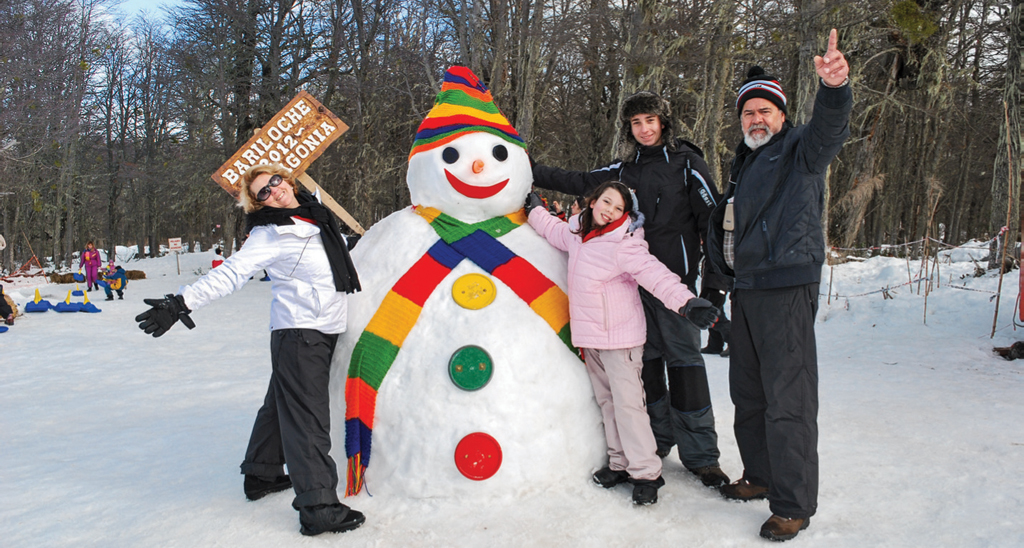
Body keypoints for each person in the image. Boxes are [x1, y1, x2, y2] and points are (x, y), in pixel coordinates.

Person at [135, 163, 365, 537]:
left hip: (321, 328)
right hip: (300, 333)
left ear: (287, 181)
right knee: (307, 420)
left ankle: (261, 474)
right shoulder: (269, 233)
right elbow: (230, 272)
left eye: (275, 182)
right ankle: (319, 507)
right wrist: (180, 304)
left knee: (281, 404)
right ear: (257, 205)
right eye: (262, 192)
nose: (273, 191)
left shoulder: (313, 212)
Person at [531, 90, 729, 488]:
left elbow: (715, 222)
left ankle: (702, 457)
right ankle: (654, 444)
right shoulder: (623, 170)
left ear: (664, 122)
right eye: (637, 123)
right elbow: (580, 181)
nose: (644, 129)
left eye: (651, 121)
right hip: (631, 293)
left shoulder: (688, 165)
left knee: (686, 369)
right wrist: (527, 169)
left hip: (675, 288)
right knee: (645, 374)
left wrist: (713, 288)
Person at [706, 29, 851, 542]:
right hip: (747, 290)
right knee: (748, 393)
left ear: (783, 116)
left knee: (788, 399)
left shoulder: (799, 151)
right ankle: (760, 475)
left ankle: (792, 504)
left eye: (765, 111)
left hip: (786, 286)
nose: (756, 119)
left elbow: (829, 129)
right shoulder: (742, 163)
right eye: (748, 113)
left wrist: (833, 88)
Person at [525, 181, 719, 506]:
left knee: (629, 407)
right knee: (608, 403)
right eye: (606, 202)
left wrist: (687, 303)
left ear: (625, 214)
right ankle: (619, 464)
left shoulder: (625, 244)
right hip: (591, 339)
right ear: (593, 201)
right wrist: (534, 209)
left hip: (621, 339)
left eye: (618, 208)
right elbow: (551, 229)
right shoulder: (577, 234)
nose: (610, 211)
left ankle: (645, 472)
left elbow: (655, 274)